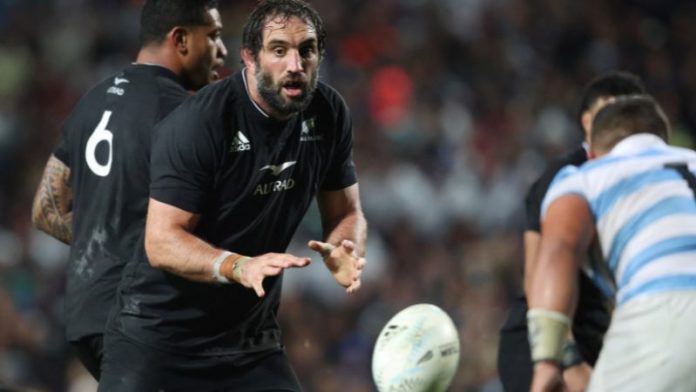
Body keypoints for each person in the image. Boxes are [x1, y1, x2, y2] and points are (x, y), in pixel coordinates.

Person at [98, 0, 367, 390]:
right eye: (279, 50)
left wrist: (347, 247)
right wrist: (239, 267)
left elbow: (347, 211)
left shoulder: (329, 114)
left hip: (249, 345)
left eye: (306, 50)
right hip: (158, 340)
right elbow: (161, 241)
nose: (295, 65)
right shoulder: (200, 123)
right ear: (249, 58)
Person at [30, 0, 227, 380]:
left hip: (86, 317)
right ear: (181, 39)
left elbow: (45, 209)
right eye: (214, 37)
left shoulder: (92, 100)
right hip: (145, 321)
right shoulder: (181, 114)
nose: (222, 50)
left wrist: (108, 241)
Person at [528, 95, 696, 391]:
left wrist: (547, 361)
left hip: (664, 313)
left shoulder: (588, 177)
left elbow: (558, 249)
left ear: (592, 153)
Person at [497, 71, 646, 392]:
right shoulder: (567, 177)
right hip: (546, 342)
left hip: (603, 340)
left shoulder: (635, 176)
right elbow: (537, 276)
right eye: (608, 115)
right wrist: (568, 360)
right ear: (587, 121)